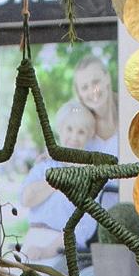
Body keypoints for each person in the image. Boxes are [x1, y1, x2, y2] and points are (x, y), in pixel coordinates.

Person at [19, 100, 98, 262]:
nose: (74, 137)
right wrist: (58, 179)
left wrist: (46, 251)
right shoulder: (44, 166)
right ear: (60, 129)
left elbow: (84, 228)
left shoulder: (90, 176)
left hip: (61, 248)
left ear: (89, 135)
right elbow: (26, 199)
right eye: (69, 129)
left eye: (81, 132)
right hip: (33, 239)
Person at [74, 54, 118, 154]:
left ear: (107, 78)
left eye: (96, 82)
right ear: (79, 93)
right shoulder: (78, 126)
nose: (92, 91)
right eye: (84, 87)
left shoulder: (128, 108)